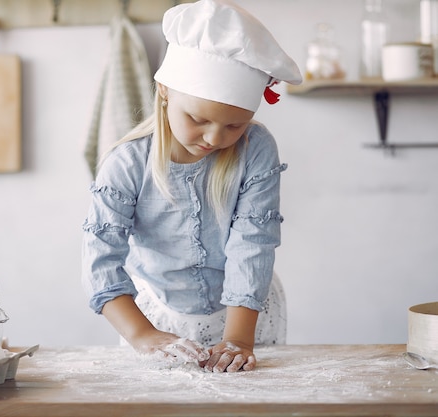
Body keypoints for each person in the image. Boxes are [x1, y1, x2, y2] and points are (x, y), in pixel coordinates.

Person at [81, 0, 302, 373]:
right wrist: (142, 335)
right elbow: (100, 259)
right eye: (199, 119)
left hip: (247, 314)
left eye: (235, 125)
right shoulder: (126, 164)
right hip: (154, 316)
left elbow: (253, 243)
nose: (215, 138)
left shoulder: (256, 149)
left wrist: (239, 340)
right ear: (165, 89)